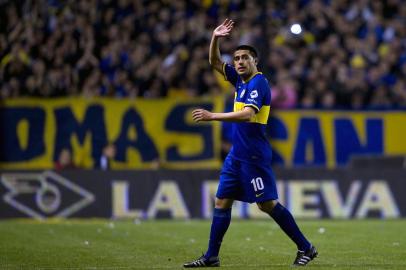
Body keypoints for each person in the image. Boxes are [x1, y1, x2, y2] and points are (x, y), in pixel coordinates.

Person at [183, 19, 317, 268]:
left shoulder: (258, 83)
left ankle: (306, 247)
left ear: (256, 62)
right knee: (222, 201)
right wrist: (215, 37)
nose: (240, 62)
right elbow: (213, 62)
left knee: (267, 204)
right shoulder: (240, 81)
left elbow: (247, 114)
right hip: (237, 155)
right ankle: (212, 256)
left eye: (245, 57)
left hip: (254, 155)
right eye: (237, 58)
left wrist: (213, 116)